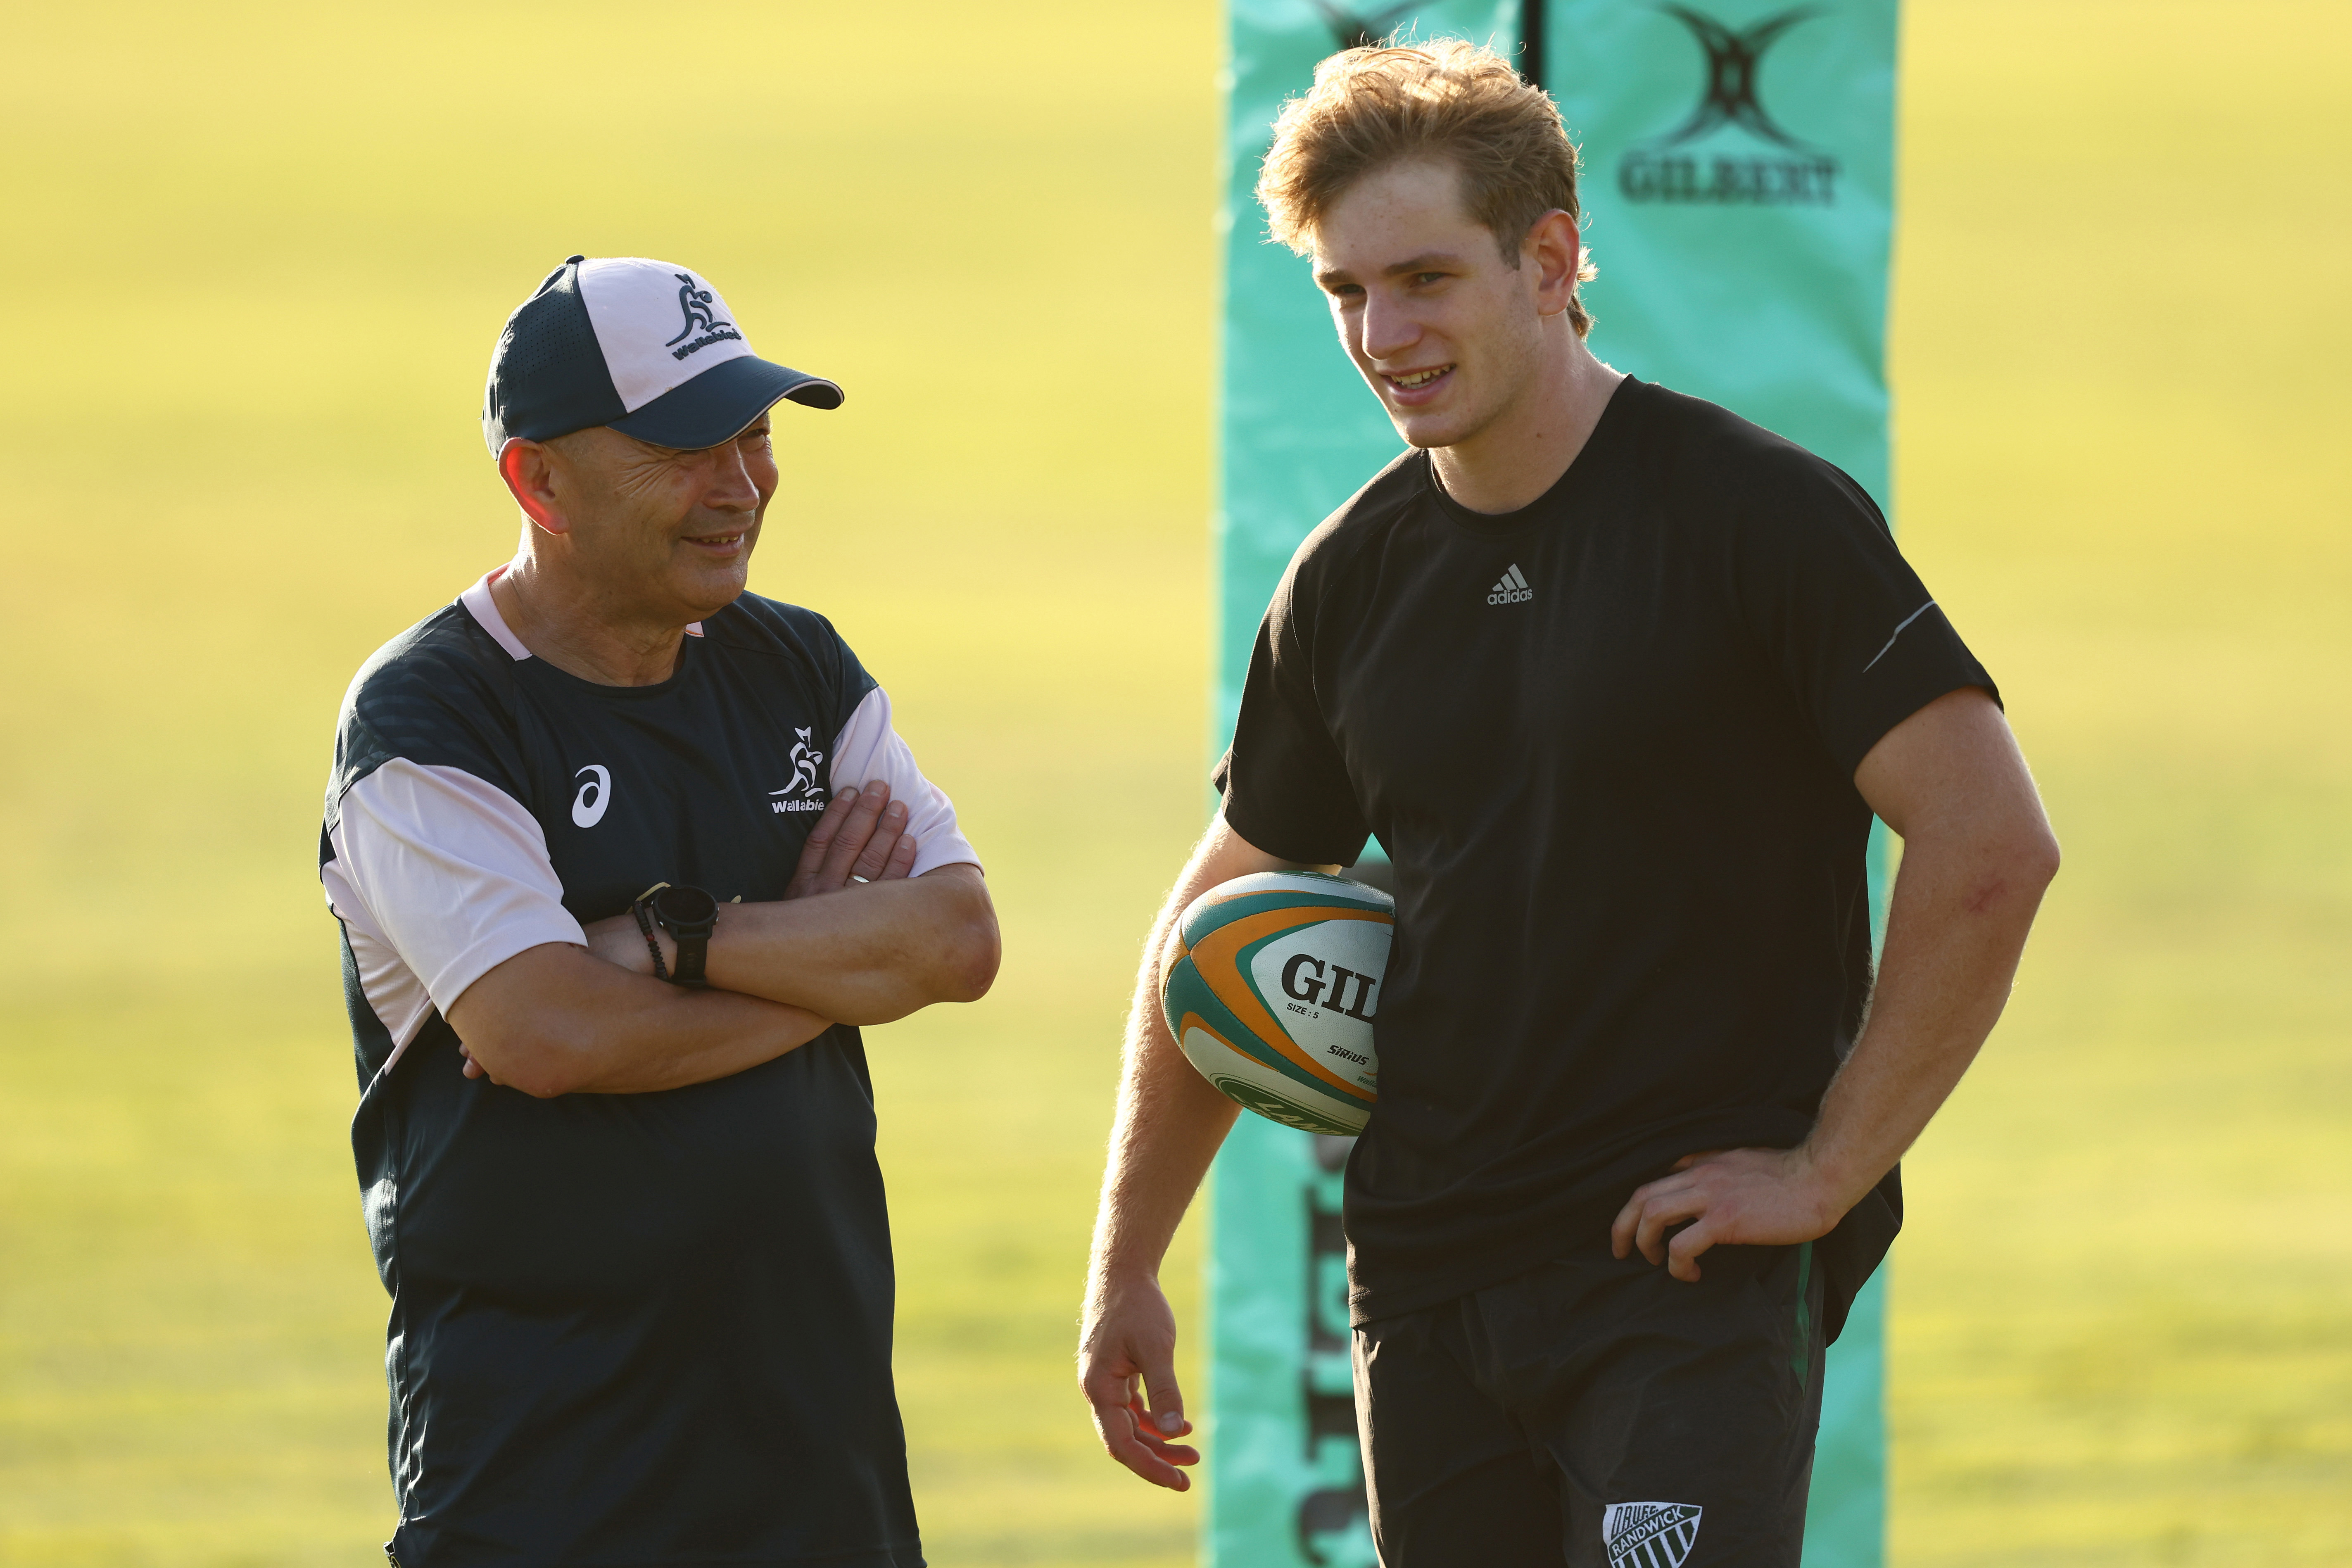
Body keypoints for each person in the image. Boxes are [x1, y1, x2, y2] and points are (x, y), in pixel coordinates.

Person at [1078, 41, 2058, 1568]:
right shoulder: (1346, 580)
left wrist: (1824, 1170)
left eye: (1423, 280)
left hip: (1683, 1278)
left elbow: (1992, 843)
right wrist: (1126, 1263)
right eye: (1345, 293)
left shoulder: (1759, 517)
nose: (1381, 334)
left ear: (1549, 261)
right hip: (1427, 1292)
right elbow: (1214, 920)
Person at [319, 254, 998, 1567]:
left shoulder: (798, 665)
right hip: (547, 1490)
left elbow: (957, 941)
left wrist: (680, 943)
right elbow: (549, 1033)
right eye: (687, 444)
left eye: (752, 433)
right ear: (540, 481)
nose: (742, 484)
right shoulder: (428, 718)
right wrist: (829, 959)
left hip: (824, 1480)